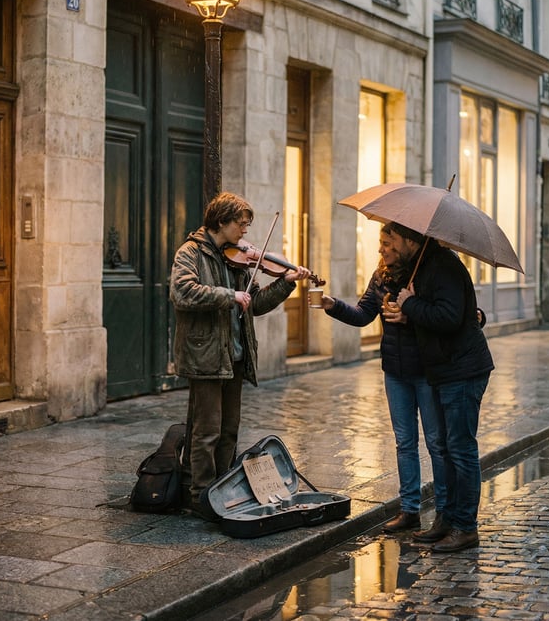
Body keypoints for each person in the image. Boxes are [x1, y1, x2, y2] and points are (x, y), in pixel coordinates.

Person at [170, 192, 310, 518]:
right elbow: (182, 292)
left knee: (229, 430)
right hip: (205, 355)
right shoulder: (190, 253)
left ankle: (220, 488)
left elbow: (256, 303)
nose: (245, 233)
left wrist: (287, 282)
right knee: (206, 432)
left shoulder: (237, 260)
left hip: (234, 355)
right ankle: (201, 497)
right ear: (222, 221)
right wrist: (228, 295)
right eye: (241, 224)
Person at [318, 222, 447, 535]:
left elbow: (442, 317)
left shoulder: (425, 274)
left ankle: (444, 512)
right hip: (395, 370)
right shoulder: (381, 276)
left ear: (404, 243)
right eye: (381, 243)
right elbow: (363, 315)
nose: (381, 249)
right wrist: (332, 305)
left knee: (436, 444)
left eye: (388, 243)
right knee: (404, 443)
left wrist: (410, 312)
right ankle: (410, 509)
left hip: (426, 371)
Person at [388, 223, 494, 553]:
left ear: (409, 240)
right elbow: (437, 314)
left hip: (462, 370)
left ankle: (465, 527)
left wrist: (409, 304)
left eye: (392, 239)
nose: (389, 245)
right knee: (449, 450)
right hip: (445, 370)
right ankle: (446, 520)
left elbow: (450, 316)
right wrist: (411, 312)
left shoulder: (443, 265)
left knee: (461, 451)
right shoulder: (424, 265)